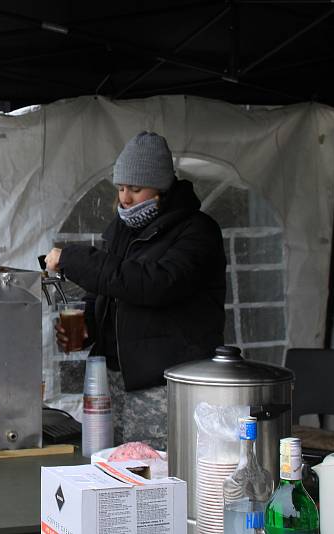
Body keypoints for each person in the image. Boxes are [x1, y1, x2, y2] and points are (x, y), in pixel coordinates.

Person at [45, 131, 226, 451]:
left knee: (157, 474)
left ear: (162, 187)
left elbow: (153, 284)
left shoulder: (198, 231)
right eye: (120, 188)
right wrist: (87, 324)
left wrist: (73, 258)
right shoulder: (123, 229)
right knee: (112, 469)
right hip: (113, 381)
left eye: (135, 189)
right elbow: (111, 291)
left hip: (164, 386)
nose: (125, 198)